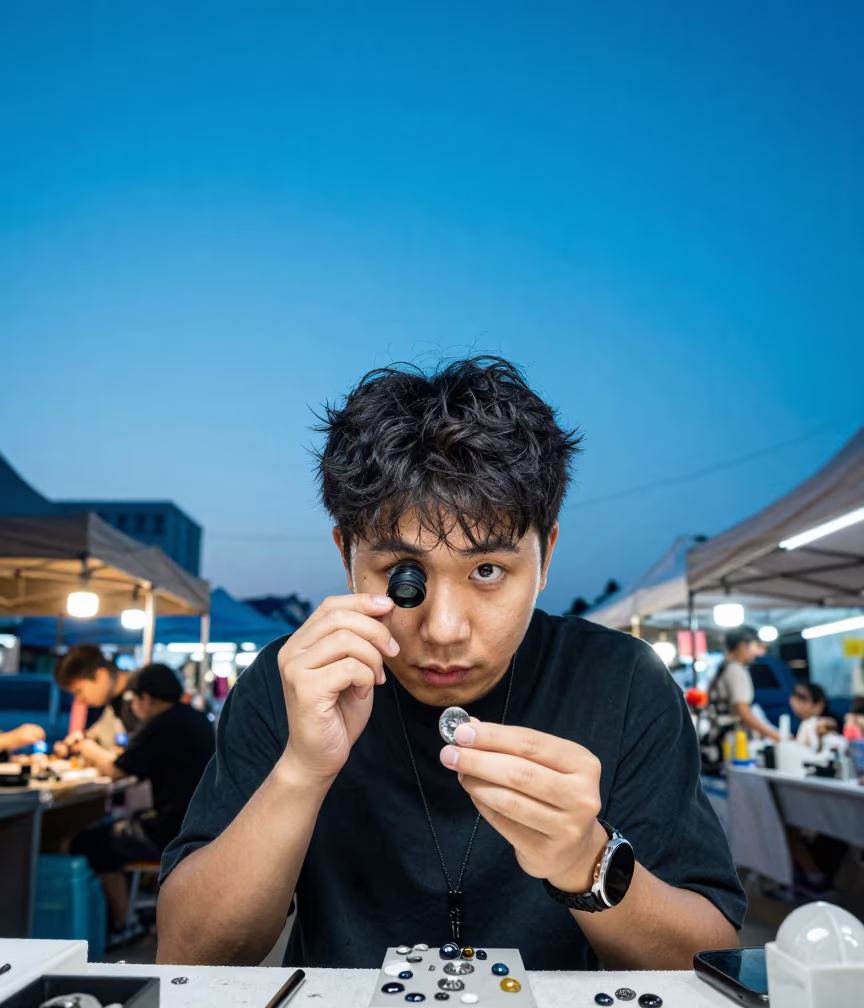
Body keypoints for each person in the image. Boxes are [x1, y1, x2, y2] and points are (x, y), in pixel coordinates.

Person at [157, 355, 743, 971]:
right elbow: (188, 955)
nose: (442, 630)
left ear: (546, 556)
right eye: (403, 576)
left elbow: (710, 962)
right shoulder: (292, 681)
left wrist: (586, 863)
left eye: (487, 571)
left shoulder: (623, 681)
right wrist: (302, 771)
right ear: (346, 555)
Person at [70, 663, 214, 931]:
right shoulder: (193, 718)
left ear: (144, 698)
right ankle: (126, 917)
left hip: (173, 832)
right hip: (200, 825)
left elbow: (117, 771)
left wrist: (86, 747)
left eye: (133, 699)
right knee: (113, 829)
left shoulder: (161, 724)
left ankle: (125, 924)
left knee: (89, 840)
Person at [53, 645, 141, 767]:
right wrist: (80, 740)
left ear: (101, 676)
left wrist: (92, 750)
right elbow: (104, 731)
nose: (80, 699)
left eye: (79, 691)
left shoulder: (140, 696)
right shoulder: (116, 701)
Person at [707, 626, 782, 749]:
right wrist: (776, 736)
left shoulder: (722, 668)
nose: (759, 652)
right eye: (755, 645)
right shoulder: (736, 670)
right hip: (731, 741)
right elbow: (743, 712)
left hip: (719, 738)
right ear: (742, 646)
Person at [790, 682, 838, 750]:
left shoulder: (820, 722)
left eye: (802, 698)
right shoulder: (804, 722)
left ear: (819, 703)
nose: (797, 703)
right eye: (795, 696)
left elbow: (828, 724)